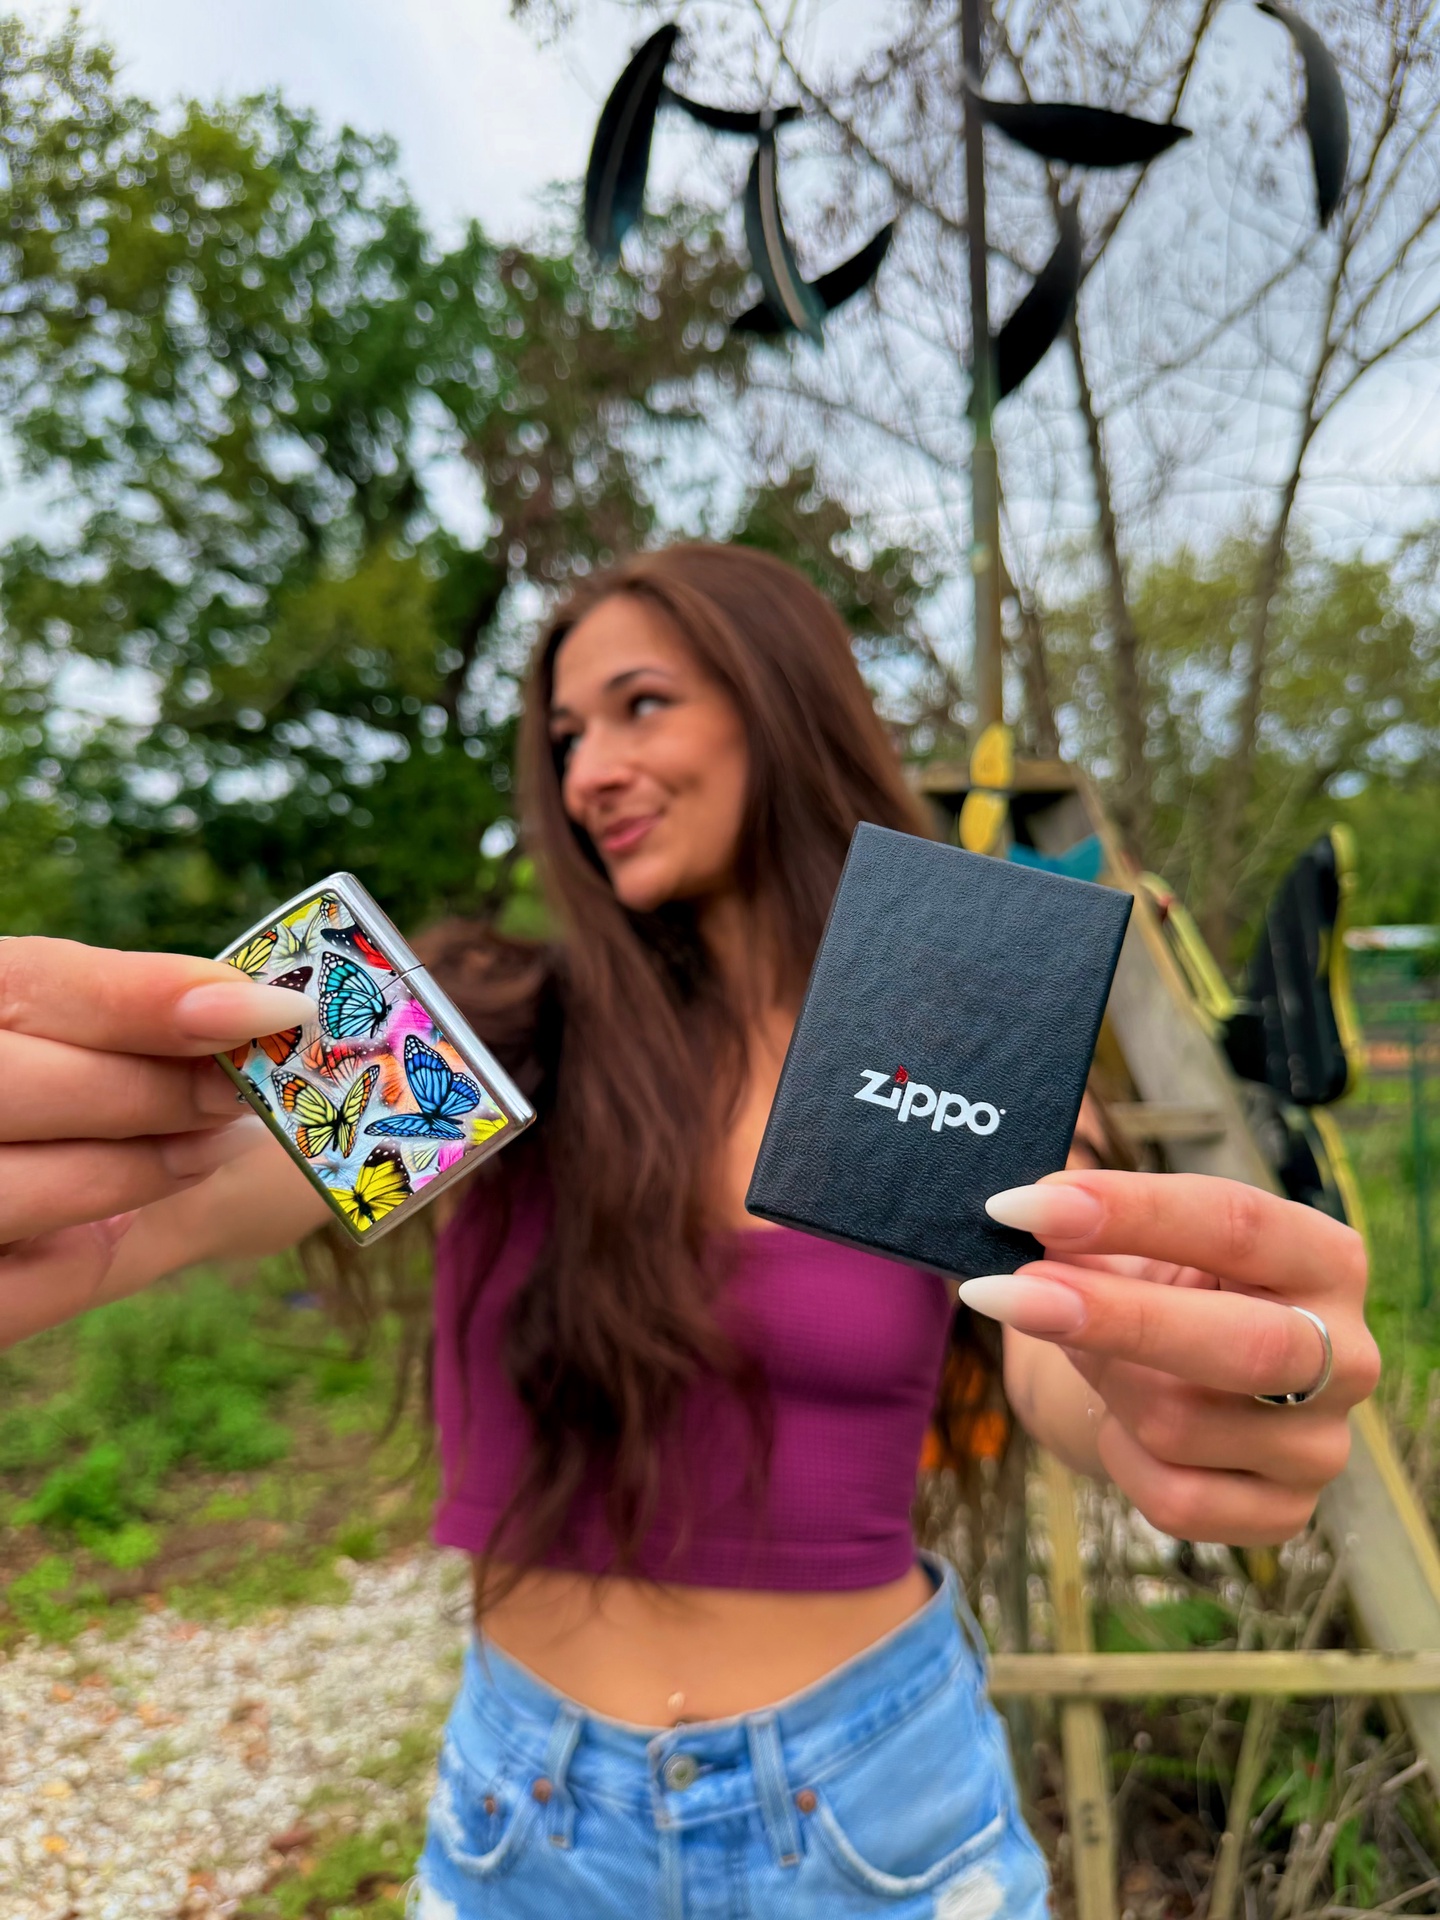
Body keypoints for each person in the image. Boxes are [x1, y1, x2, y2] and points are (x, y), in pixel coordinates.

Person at [0, 543, 1377, 1918]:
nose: (588, 773)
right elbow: (192, 1189)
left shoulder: (954, 1039)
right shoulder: (493, 1029)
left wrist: (1166, 1380)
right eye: (566, 738)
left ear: (781, 705)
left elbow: (1063, 1347)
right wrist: (99, 1164)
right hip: (528, 1828)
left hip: (879, 1816)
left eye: (641, 705)